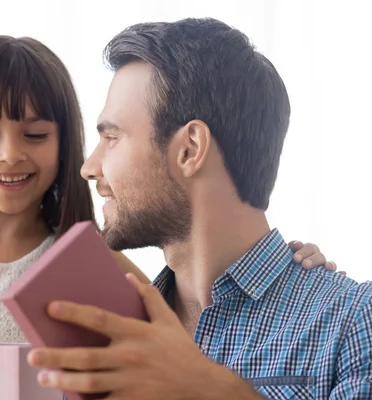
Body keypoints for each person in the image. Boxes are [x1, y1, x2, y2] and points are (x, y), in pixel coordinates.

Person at [0, 34, 334, 399]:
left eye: (35, 135)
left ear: (64, 141)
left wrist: (282, 269)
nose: (10, 155)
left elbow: (179, 334)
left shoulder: (87, 261)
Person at [20, 18, 372, 399]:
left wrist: (212, 390)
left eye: (112, 138)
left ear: (190, 149)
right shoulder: (107, 333)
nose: (89, 167)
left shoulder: (352, 320)